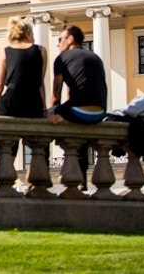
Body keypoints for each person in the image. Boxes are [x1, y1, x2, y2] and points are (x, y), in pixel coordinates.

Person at [47, 24, 108, 190]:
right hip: (100, 112)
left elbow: (56, 94)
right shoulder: (95, 57)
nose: (58, 44)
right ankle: (82, 183)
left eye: (60, 39)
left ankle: (43, 173)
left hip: (80, 111)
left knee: (45, 119)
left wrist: (53, 112)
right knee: (79, 131)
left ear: (70, 39)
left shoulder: (62, 58)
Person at [0, 16, 48, 161]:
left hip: (11, 102)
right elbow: (40, 83)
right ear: (27, 33)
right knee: (38, 146)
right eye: (32, 33)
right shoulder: (40, 50)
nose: (34, 36)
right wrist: (44, 108)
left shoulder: (6, 52)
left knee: (6, 149)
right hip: (32, 102)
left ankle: (3, 178)